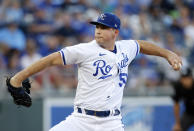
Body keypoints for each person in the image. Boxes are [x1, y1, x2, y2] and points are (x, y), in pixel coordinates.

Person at [7, 13, 182, 131]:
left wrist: (168, 53)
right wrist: (17, 79)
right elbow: (51, 59)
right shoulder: (84, 50)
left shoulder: (125, 48)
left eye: (104, 27)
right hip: (80, 120)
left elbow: (141, 45)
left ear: (115, 32)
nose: (98, 30)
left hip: (111, 122)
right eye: (97, 26)